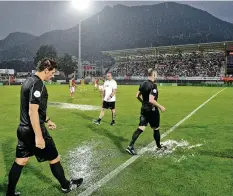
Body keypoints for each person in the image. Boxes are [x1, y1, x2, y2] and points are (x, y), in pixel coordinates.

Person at [6, 59, 83, 196]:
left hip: (23, 129)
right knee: (54, 158)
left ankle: (10, 193)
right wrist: (39, 136)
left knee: (21, 160)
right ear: (46, 69)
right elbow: (32, 111)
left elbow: (35, 108)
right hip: (34, 130)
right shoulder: (38, 84)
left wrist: (48, 120)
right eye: (52, 73)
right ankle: (66, 186)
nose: (52, 76)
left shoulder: (28, 81)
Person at [126, 68, 166, 155]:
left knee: (141, 127)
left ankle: (130, 146)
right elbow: (151, 100)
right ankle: (159, 146)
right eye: (156, 74)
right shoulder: (153, 86)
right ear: (154, 75)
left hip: (144, 109)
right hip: (152, 110)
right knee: (156, 128)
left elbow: (137, 96)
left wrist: (143, 103)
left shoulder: (142, 83)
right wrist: (160, 107)